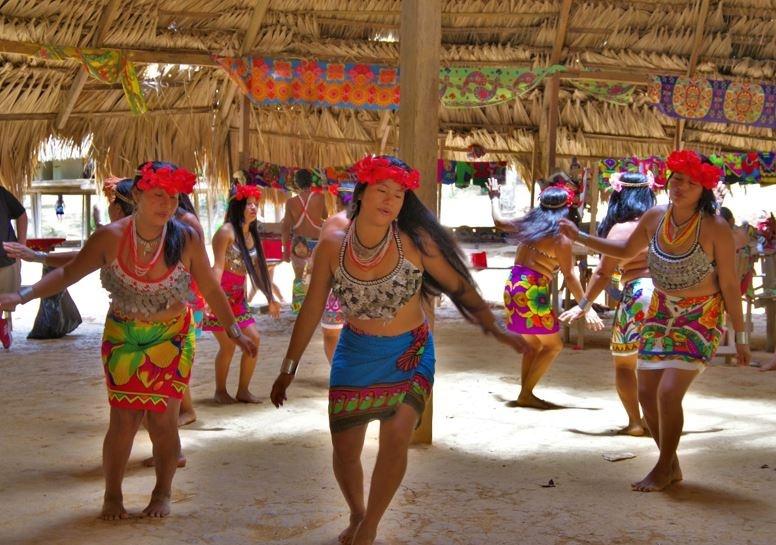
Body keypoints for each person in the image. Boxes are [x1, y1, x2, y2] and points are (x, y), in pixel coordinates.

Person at [270, 155, 530, 545]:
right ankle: (358, 512)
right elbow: (311, 307)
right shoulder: (332, 240)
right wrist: (288, 367)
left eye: (399, 194)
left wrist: (495, 328)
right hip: (356, 350)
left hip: (411, 352)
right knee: (345, 451)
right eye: (382, 191)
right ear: (361, 193)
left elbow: (459, 287)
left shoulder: (415, 243)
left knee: (396, 438)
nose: (390, 201)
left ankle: (370, 525)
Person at [0, 161, 257, 519]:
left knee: (164, 420)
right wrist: (23, 295)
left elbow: (212, 289)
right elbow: (68, 273)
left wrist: (234, 330)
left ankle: (162, 491)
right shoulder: (111, 237)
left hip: (173, 337)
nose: (166, 203)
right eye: (157, 195)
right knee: (122, 421)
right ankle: (112, 496)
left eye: (172, 196)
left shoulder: (185, 238)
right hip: (124, 334)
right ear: (137, 195)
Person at [559, 150, 751, 492]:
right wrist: (580, 237)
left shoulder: (715, 228)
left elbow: (730, 283)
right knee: (646, 391)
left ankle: (662, 467)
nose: (681, 187)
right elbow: (622, 253)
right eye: (677, 179)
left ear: (703, 190)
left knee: (667, 393)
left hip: (700, 317)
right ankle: (670, 463)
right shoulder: (654, 217)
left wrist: (741, 335)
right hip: (660, 312)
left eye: (691, 184)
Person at [486, 173, 601, 409]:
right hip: (531, 290)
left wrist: (494, 196)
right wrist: (585, 306)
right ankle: (526, 394)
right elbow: (569, 275)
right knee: (554, 345)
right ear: (567, 209)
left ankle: (525, 393)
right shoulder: (560, 237)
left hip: (513, 285)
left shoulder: (530, 225)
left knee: (535, 345)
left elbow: (498, 221)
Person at [559, 171, 658, 435]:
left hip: (638, 293)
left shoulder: (620, 230)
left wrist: (583, 304)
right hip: (667, 296)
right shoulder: (664, 224)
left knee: (626, 363)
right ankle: (658, 419)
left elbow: (603, 273)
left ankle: (636, 422)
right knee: (662, 362)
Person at [204, 183, 280, 404]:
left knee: (253, 338)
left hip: (239, 298)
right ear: (238, 206)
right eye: (249, 204)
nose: (254, 208)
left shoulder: (252, 235)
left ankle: (243, 390)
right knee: (228, 345)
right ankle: (220, 391)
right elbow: (217, 267)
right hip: (221, 295)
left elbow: (258, 270)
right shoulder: (226, 232)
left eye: (256, 205)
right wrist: (211, 297)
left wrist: (270, 297)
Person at [282, 169, 328, 313]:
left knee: (299, 278)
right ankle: (316, 308)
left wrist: (284, 251)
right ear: (311, 181)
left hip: (299, 244)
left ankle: (298, 309)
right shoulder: (320, 198)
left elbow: (286, 228)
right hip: (317, 243)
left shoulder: (291, 202)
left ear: (296, 183)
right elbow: (325, 215)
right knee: (316, 278)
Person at [0, 184, 27, 349]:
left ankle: (2, 326)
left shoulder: (1, 193)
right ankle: (2, 326)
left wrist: (21, 246)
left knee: (3, 301)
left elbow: (21, 214)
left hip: (6, 258)